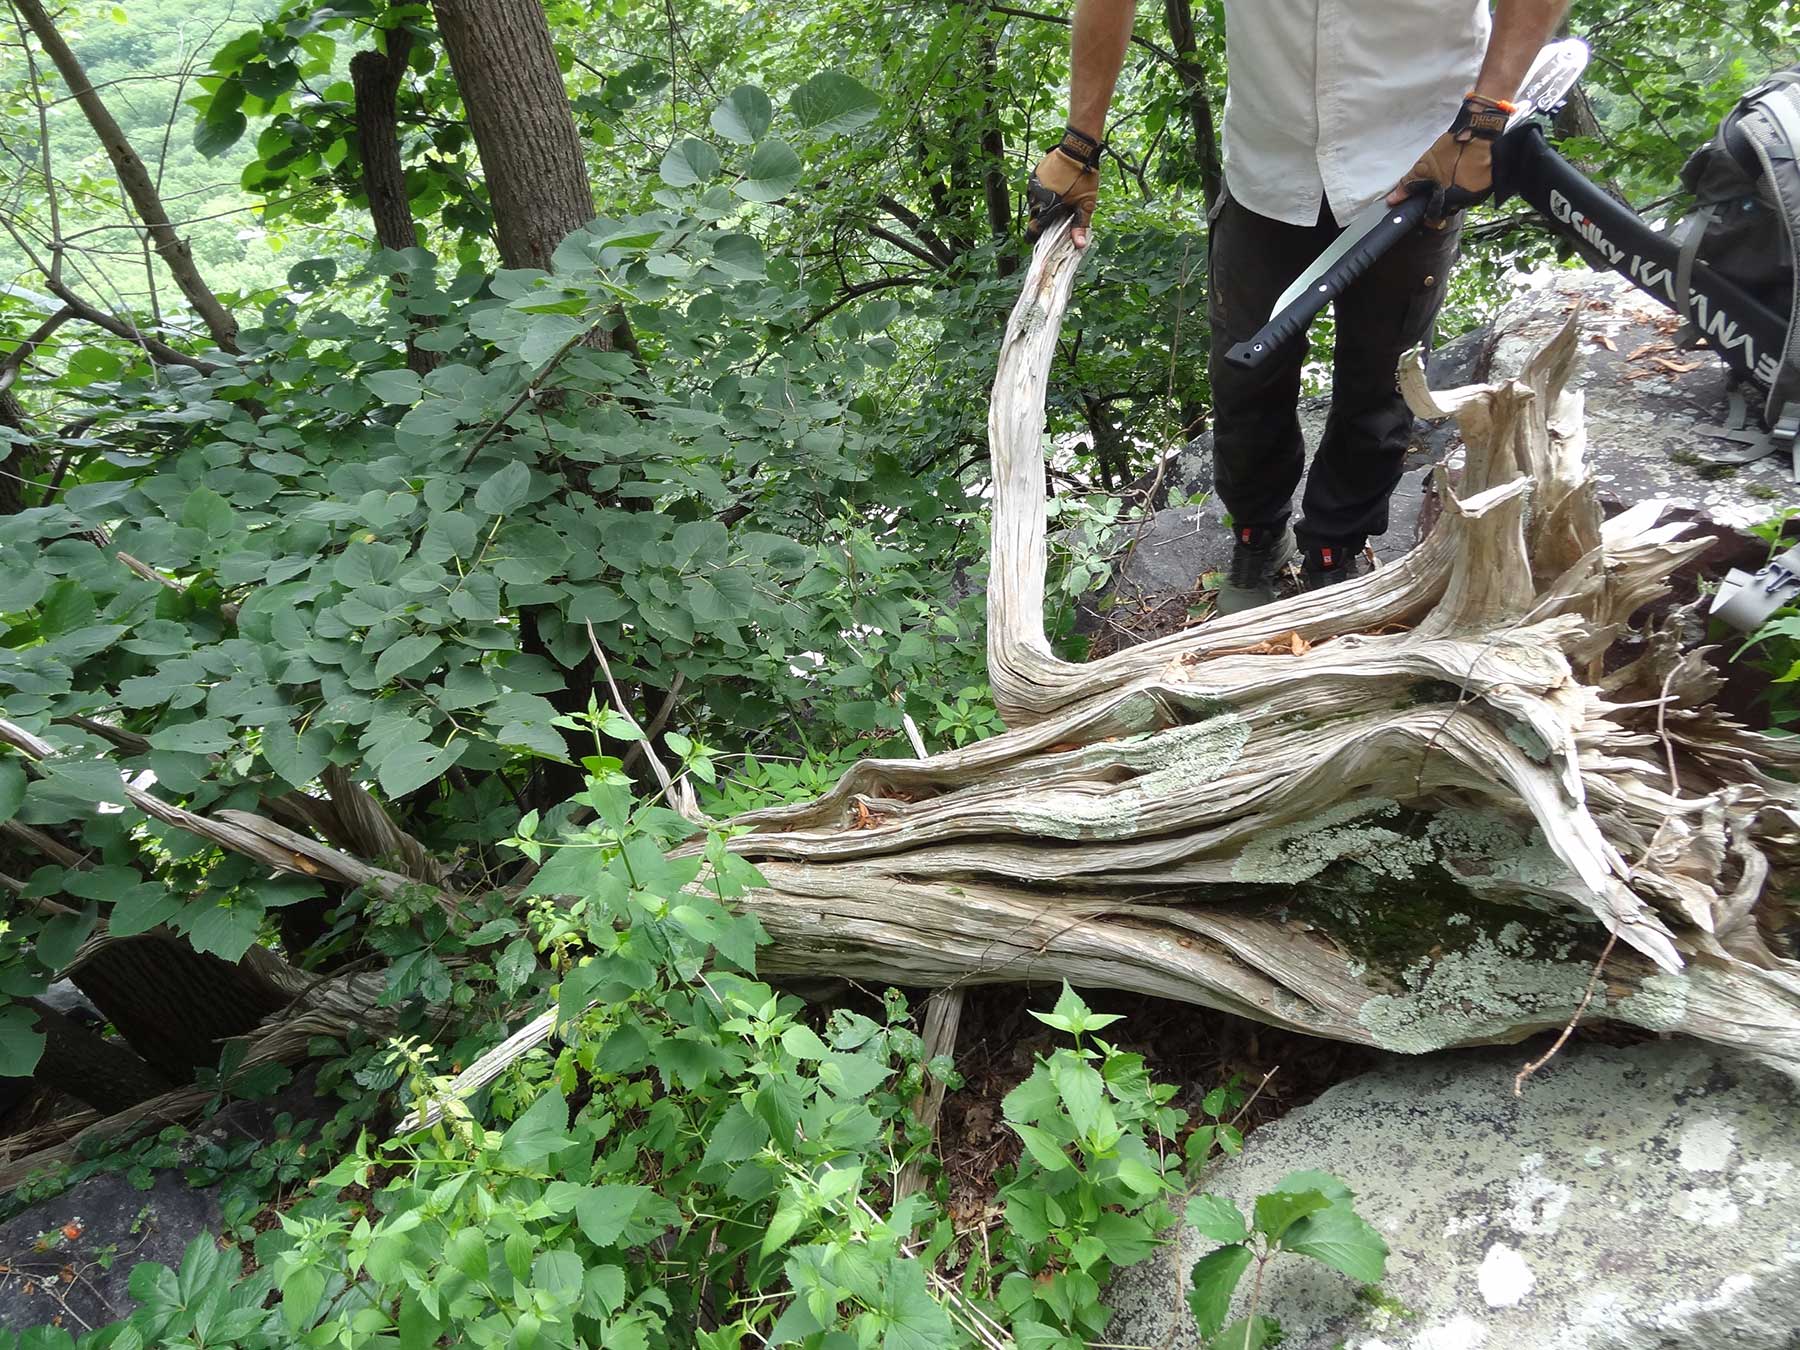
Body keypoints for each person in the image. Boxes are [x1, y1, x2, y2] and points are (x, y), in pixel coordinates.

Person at [1027, 0, 1569, 613]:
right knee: (1244, 381)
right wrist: (1078, 146)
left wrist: (1486, 115)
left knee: (1381, 386)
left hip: (1418, 161)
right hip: (1266, 162)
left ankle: (1334, 553)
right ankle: (1259, 534)